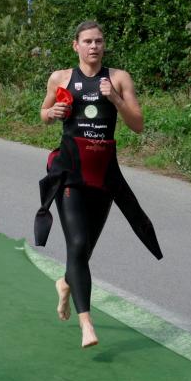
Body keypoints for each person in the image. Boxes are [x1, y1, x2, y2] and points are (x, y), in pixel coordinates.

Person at [34, 21, 162, 348]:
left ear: (104, 45)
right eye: (88, 41)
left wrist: (115, 99)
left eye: (99, 41)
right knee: (77, 244)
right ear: (75, 45)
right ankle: (87, 324)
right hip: (70, 172)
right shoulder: (60, 78)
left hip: (103, 174)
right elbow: (44, 113)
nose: (94, 46)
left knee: (85, 249)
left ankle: (65, 283)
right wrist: (52, 112)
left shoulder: (118, 78)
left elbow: (137, 124)